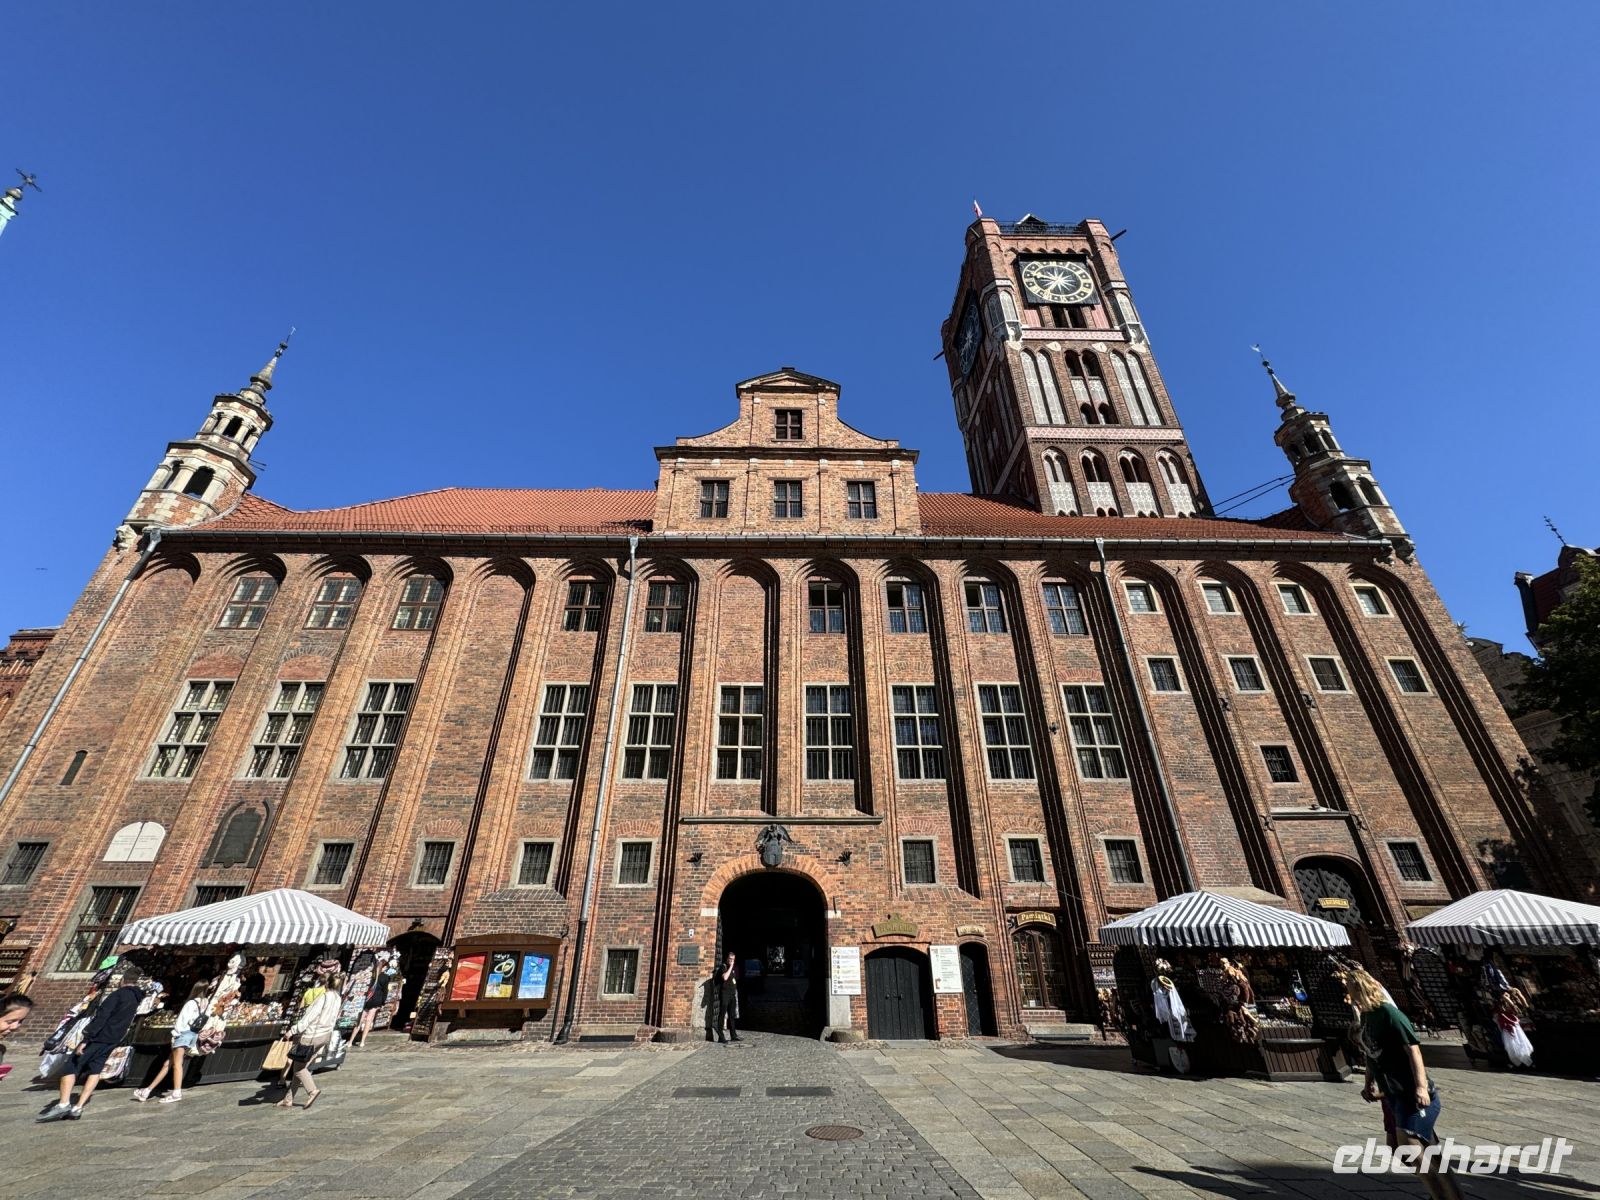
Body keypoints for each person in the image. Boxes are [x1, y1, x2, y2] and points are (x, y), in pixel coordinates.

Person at [1343, 965, 1462, 1200]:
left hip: (1412, 1093)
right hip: (1394, 1095)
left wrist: (1421, 1087)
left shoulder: (1390, 1014)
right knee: (1428, 1155)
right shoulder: (1366, 1017)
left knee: (1411, 1149)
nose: (1349, 995)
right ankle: (1450, 1196)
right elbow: (1371, 1054)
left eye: (1351, 990)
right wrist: (1368, 1084)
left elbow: (1413, 1050)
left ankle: (1442, 1196)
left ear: (1361, 989)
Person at [37, 967, 146, 1121]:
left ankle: (63, 1104)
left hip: (99, 1037)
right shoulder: (136, 997)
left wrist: (86, 1039)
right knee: (95, 1070)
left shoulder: (117, 995)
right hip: (114, 1038)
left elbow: (102, 1017)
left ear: (123, 980)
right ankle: (78, 1107)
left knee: (71, 1066)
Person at [132, 978, 213, 1104]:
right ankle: (147, 1090)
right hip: (192, 1035)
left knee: (177, 1064)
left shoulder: (191, 1003)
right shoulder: (207, 1004)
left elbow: (181, 1021)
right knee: (168, 1063)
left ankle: (176, 1092)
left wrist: (175, 1035)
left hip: (183, 1035)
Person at [279, 971, 342, 1110]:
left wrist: (292, 1031)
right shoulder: (338, 998)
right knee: (300, 1066)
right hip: (325, 1035)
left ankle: (312, 1091)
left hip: (312, 1035)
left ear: (326, 983)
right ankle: (288, 1099)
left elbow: (308, 1018)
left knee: (299, 1069)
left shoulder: (323, 998)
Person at [354, 961, 393, 1048]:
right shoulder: (384, 977)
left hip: (366, 999)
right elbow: (385, 991)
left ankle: (350, 1041)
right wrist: (383, 1002)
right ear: (384, 967)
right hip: (376, 1000)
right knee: (368, 1020)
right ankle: (362, 1041)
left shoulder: (371, 975)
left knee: (360, 1019)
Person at [707, 952, 740, 1044]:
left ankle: (733, 1035)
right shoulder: (723, 967)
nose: (732, 961)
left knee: (732, 1015)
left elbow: (734, 980)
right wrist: (731, 967)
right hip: (725, 994)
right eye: (730, 959)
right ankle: (721, 1037)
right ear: (727, 959)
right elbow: (725, 977)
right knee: (722, 1014)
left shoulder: (732, 968)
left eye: (733, 959)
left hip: (732, 995)